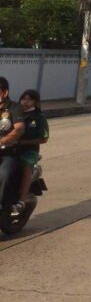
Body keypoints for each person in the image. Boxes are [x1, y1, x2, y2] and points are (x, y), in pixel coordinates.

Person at [10, 89, 48, 216]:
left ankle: (21, 201)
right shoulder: (13, 114)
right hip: (11, 148)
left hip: (29, 151)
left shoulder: (39, 117)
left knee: (26, 167)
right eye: (23, 99)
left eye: (30, 99)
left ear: (35, 102)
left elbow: (44, 138)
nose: (25, 102)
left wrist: (23, 142)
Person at [0, 76, 25, 209]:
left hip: (8, 152)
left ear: (4, 93)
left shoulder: (15, 108)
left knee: (3, 174)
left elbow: (19, 129)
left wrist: (3, 140)